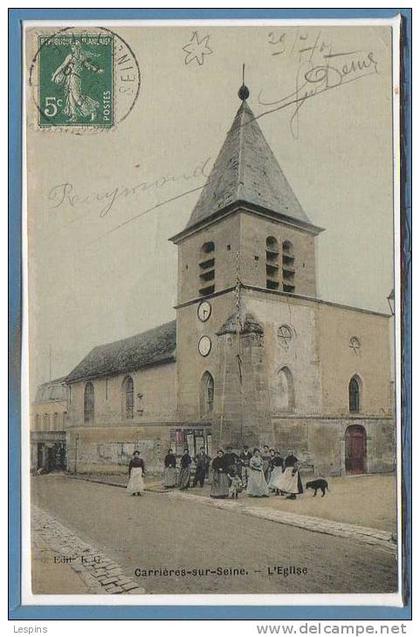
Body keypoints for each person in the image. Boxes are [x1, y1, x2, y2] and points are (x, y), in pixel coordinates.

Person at [51, 41, 104, 122]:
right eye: (72, 47)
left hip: (75, 78)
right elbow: (62, 66)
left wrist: (97, 70)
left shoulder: (80, 57)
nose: (72, 48)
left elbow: (88, 66)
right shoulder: (71, 56)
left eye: (74, 47)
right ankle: (74, 116)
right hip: (69, 78)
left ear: (77, 47)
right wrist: (55, 75)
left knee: (76, 97)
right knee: (70, 96)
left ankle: (92, 110)